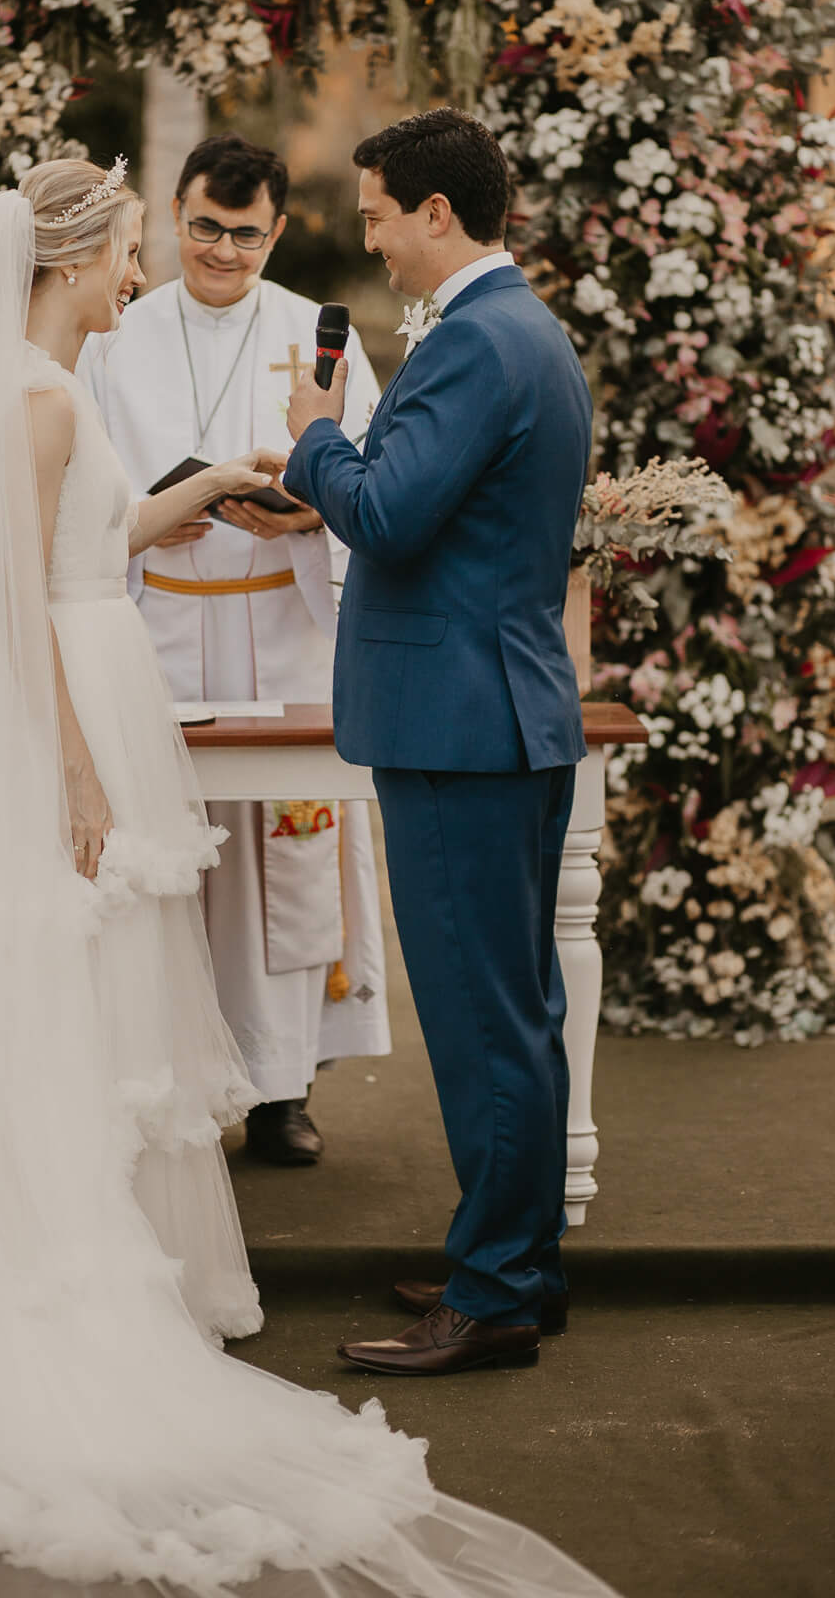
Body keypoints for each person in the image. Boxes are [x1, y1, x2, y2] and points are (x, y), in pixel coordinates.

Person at [0, 157, 618, 1598]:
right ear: (74, 254)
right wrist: (77, 761)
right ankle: (33, 1285)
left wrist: (207, 486)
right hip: (65, 709)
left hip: (150, 683)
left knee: (95, 1005)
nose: (148, 270)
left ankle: (451, 1274)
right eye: (137, 246)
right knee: (41, 997)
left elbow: (91, 539)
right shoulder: (34, 394)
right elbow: (20, 590)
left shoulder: (53, 387)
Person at [284, 110, 592, 1378]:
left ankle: (495, 1291)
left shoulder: (476, 341)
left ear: (436, 215)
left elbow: (390, 517)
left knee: (480, 1016)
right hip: (498, 707)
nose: (369, 237)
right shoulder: (522, 331)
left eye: (375, 215)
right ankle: (513, 1258)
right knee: (513, 1006)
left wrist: (314, 435)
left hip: (464, 723)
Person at [80, 134, 390, 1168]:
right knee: (170, 861)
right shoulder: (114, 335)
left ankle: (281, 1088)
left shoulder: (318, 335)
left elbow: (379, 483)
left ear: (278, 229)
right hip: (159, 621)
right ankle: (161, 1080)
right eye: (205, 226)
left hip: (279, 625)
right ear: (174, 214)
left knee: (285, 860)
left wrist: (311, 519)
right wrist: (136, 519)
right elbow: (72, 477)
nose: (222, 249)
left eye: (245, 233)